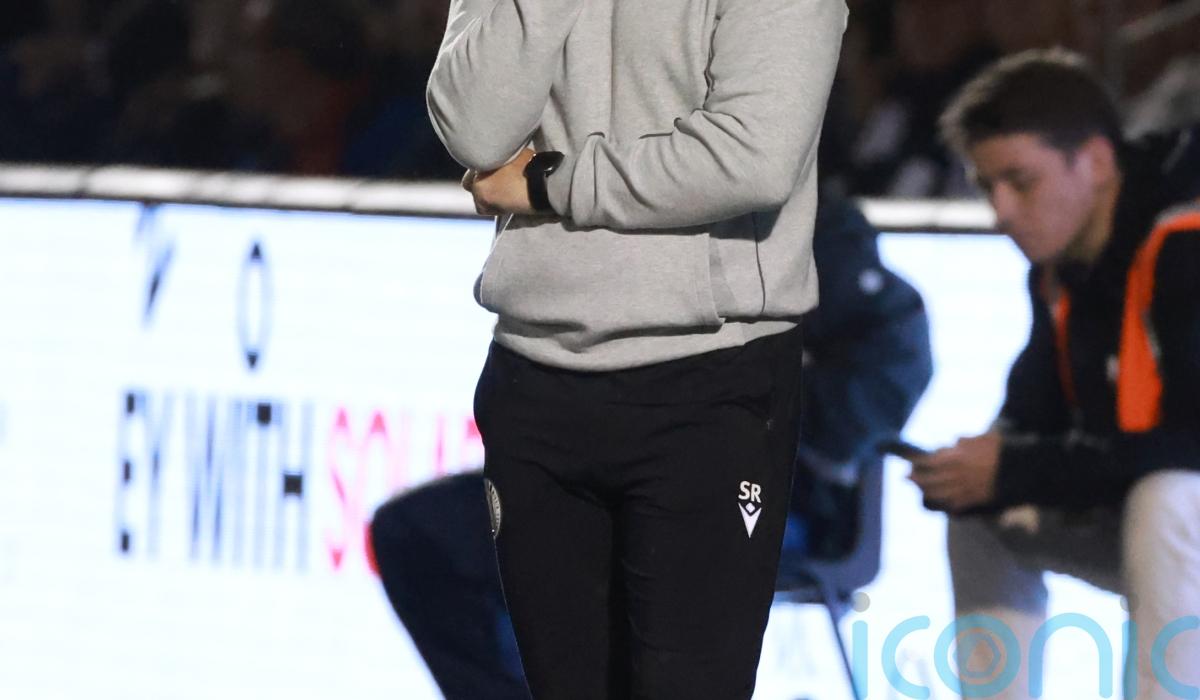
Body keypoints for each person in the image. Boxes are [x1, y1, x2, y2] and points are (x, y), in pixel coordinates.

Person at [426, 0, 846, 697]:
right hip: (534, 369)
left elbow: (751, 156)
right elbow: (473, 128)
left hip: (709, 375)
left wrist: (549, 181)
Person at [369, 191, 933, 700]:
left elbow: (895, 355)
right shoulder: (630, 211)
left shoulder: (810, 229)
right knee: (417, 532)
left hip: (762, 499)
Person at [912, 48, 1200, 699]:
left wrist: (1015, 466)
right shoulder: (1058, 268)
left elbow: (1191, 446)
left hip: (1177, 515)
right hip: (1157, 526)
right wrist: (975, 467)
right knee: (980, 510)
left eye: (1020, 182)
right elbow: (1030, 421)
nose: (1002, 211)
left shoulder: (1187, 238)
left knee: (1169, 498)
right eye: (987, 187)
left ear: (1094, 161)